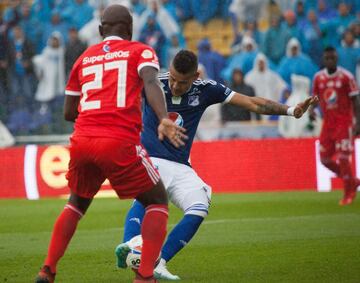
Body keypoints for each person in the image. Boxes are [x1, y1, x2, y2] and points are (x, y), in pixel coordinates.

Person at [115, 50, 318, 280]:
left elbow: (252, 103)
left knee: (200, 204)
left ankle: (159, 261)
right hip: (151, 159)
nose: (173, 86)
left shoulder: (206, 89)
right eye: (171, 77)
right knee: (148, 195)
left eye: (181, 82)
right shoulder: (153, 84)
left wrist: (291, 110)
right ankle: (132, 245)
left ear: (196, 76)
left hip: (181, 165)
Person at [34, 5, 186, 283]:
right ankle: (145, 276)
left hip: (82, 141)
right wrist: (164, 118)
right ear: (129, 29)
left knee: (76, 204)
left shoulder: (84, 58)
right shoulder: (139, 51)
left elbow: (68, 112)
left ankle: (47, 269)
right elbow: (151, 80)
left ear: (101, 29)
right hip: (117, 140)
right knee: (157, 201)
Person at [311, 46, 360, 206]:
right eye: (327, 58)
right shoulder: (318, 78)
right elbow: (315, 99)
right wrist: (311, 110)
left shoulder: (346, 77)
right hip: (328, 124)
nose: (330, 60)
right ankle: (352, 181)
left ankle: (349, 193)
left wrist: (357, 122)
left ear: (336, 58)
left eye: (332, 58)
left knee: (344, 158)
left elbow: (355, 101)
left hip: (344, 123)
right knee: (324, 159)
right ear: (324, 60)